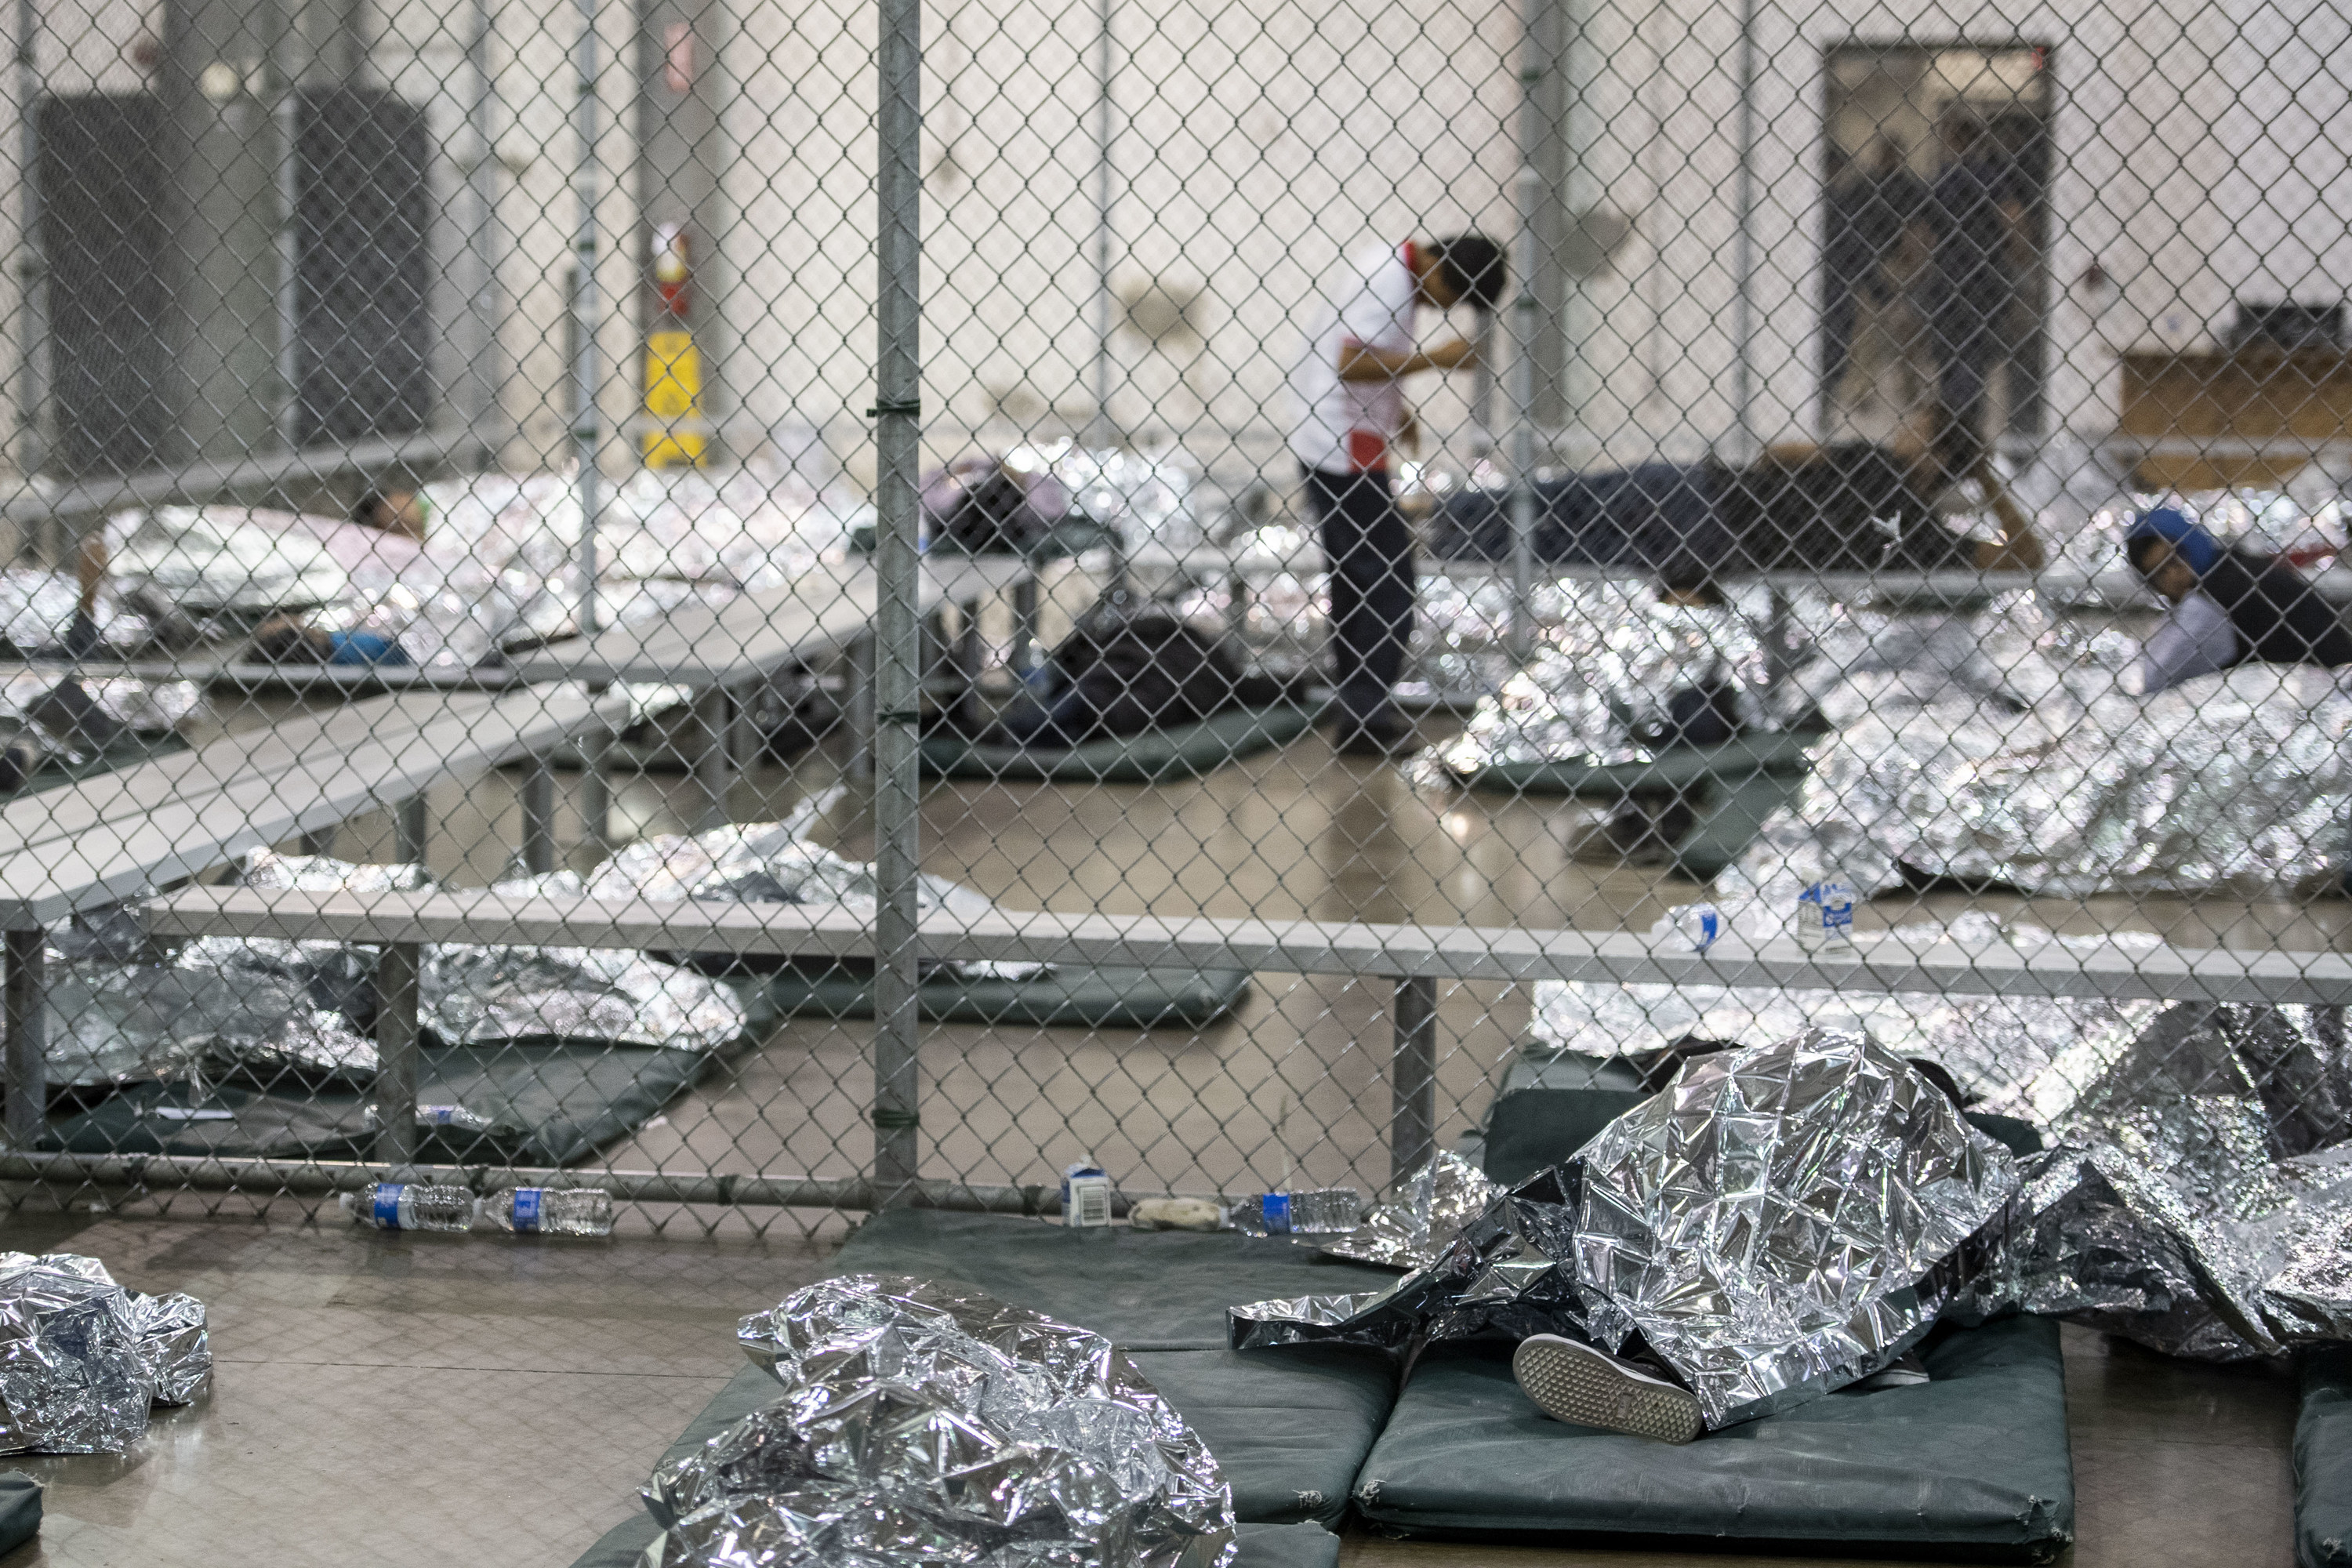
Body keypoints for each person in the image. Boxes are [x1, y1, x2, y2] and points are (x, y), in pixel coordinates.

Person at [1290, 234, 1504, 755]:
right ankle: (1366, 719)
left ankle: (1359, 715)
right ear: (1438, 269)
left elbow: (1356, 355)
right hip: (1340, 448)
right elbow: (1350, 362)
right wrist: (1436, 359)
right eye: (1449, 297)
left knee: (1354, 580)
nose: (1442, 309)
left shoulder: (1389, 269)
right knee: (1388, 580)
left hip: (1339, 437)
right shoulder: (1389, 281)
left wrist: (1394, 408)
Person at [2125, 506, 2352, 693]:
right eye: (2158, 575)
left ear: (2191, 546)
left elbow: (2157, 680)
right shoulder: (2233, 567)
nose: (2172, 577)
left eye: (2174, 560)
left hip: (2326, 690)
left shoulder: (2215, 598)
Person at [1922, 115, 2029, 479]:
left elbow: (1921, 236)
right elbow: (2012, 220)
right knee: (1974, 365)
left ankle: (1953, 446)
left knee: (1951, 365)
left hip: (1949, 282)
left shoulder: (1944, 180)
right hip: (1983, 283)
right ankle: (1967, 447)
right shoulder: (1992, 177)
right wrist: (2020, 257)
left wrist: (1919, 272)